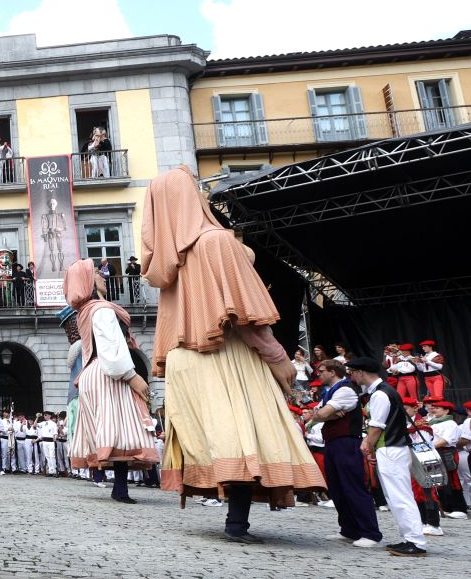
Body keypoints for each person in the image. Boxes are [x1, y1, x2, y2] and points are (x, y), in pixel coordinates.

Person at [141, 167, 325, 543]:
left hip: (184, 360)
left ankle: (233, 515)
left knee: (216, 438)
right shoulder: (215, 242)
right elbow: (245, 315)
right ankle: (237, 521)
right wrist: (278, 358)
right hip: (222, 352)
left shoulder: (168, 263)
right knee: (243, 431)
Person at [64, 260, 157, 504]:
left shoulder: (85, 312)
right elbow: (110, 348)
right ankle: (120, 488)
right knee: (122, 426)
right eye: (96, 273)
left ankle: (120, 486)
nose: (103, 275)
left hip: (93, 373)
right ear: (87, 282)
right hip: (108, 371)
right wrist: (132, 376)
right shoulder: (102, 310)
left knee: (113, 428)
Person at [343, 358, 426, 556]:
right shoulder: (383, 391)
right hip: (392, 448)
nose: (351, 376)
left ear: (361, 372)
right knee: (396, 496)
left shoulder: (380, 394)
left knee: (400, 497)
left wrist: (367, 444)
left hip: (391, 448)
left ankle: (415, 541)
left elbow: (377, 426)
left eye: (352, 372)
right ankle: (410, 538)